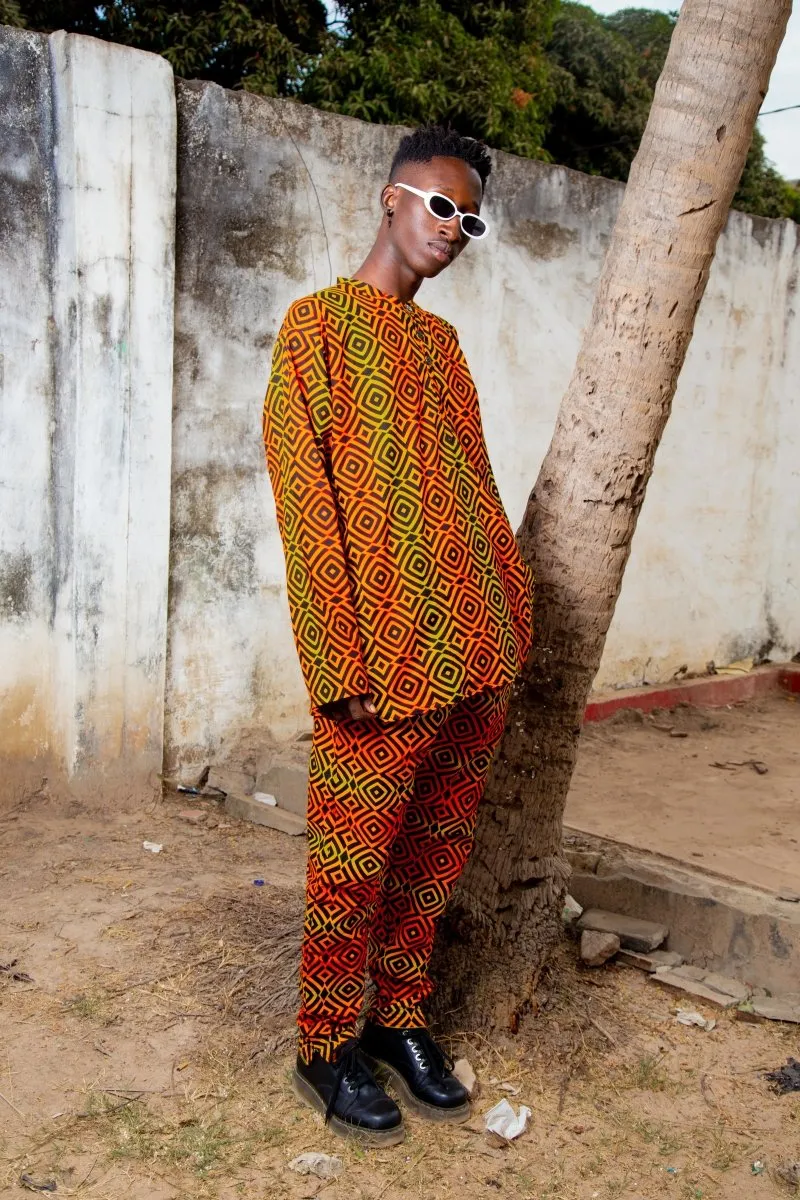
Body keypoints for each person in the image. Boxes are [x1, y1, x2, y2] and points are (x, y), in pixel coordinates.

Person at [262, 124, 533, 1146]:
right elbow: (306, 504)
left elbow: (474, 482)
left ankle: (397, 1017)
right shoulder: (316, 328)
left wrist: (513, 611)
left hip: (476, 647)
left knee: (430, 855)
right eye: (438, 207)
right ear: (390, 198)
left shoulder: (442, 345)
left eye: (468, 219)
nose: (454, 230)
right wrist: (335, 661)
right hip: (379, 662)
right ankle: (324, 1042)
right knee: (351, 861)